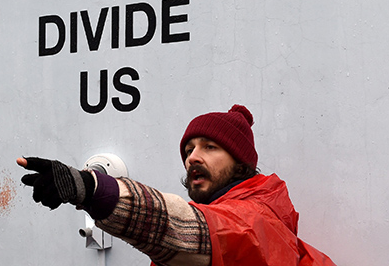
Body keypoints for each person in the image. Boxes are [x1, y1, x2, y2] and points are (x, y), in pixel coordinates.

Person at [17, 104, 336, 266]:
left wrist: (94, 188)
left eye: (210, 148)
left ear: (241, 163)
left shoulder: (258, 222)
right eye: (188, 150)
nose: (193, 158)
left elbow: (193, 231)